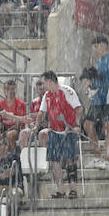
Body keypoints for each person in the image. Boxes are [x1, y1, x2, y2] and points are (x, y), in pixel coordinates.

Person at [32, 70, 82, 200]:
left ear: (49, 81)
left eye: (44, 83)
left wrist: (77, 125)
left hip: (68, 130)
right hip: (54, 131)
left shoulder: (67, 91)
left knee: (70, 159)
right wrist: (37, 126)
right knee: (54, 161)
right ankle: (60, 190)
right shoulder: (47, 96)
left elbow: (79, 108)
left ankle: (73, 189)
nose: (43, 86)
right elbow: (41, 112)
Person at [84, 35, 109, 169]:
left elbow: (108, 81)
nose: (95, 50)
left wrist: (93, 85)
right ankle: (97, 156)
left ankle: (106, 160)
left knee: (107, 127)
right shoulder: (100, 61)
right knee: (87, 124)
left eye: (96, 47)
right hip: (98, 99)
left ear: (102, 46)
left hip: (107, 99)